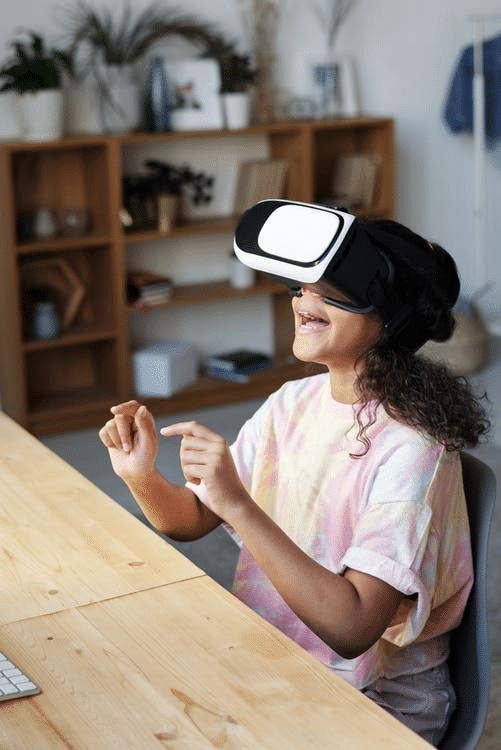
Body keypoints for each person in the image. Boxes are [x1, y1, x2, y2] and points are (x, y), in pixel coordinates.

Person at [99, 201, 489, 746]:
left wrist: (239, 503)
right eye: (301, 287)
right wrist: (140, 474)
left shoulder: (413, 450)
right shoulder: (292, 402)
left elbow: (352, 629)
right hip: (273, 663)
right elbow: (189, 519)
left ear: (389, 316)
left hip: (374, 706)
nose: (303, 300)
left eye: (329, 290)